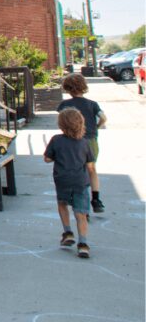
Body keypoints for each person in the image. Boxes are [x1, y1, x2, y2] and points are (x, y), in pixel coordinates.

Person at [44, 107, 96, 259]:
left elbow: (47, 158)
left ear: (61, 124)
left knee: (62, 204)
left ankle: (67, 232)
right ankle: (83, 244)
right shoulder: (85, 143)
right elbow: (90, 166)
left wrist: (57, 157)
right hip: (81, 182)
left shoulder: (56, 140)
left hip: (62, 180)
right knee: (81, 213)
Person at [58, 73, 107, 212]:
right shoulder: (92, 104)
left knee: (76, 170)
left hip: (71, 141)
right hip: (90, 140)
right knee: (91, 169)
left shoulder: (64, 105)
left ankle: (79, 202)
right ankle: (96, 199)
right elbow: (104, 118)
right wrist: (95, 127)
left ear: (67, 88)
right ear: (84, 86)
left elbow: (62, 122)